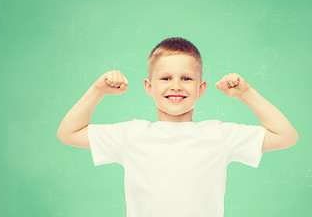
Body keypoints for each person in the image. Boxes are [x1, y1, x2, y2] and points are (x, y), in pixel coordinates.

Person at [57, 37, 299, 217]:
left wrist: (246, 93)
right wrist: (98, 91)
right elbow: (67, 133)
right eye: (165, 78)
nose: (176, 86)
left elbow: (286, 136)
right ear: (149, 87)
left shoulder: (219, 134)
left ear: (201, 88)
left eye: (186, 78)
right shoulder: (131, 135)